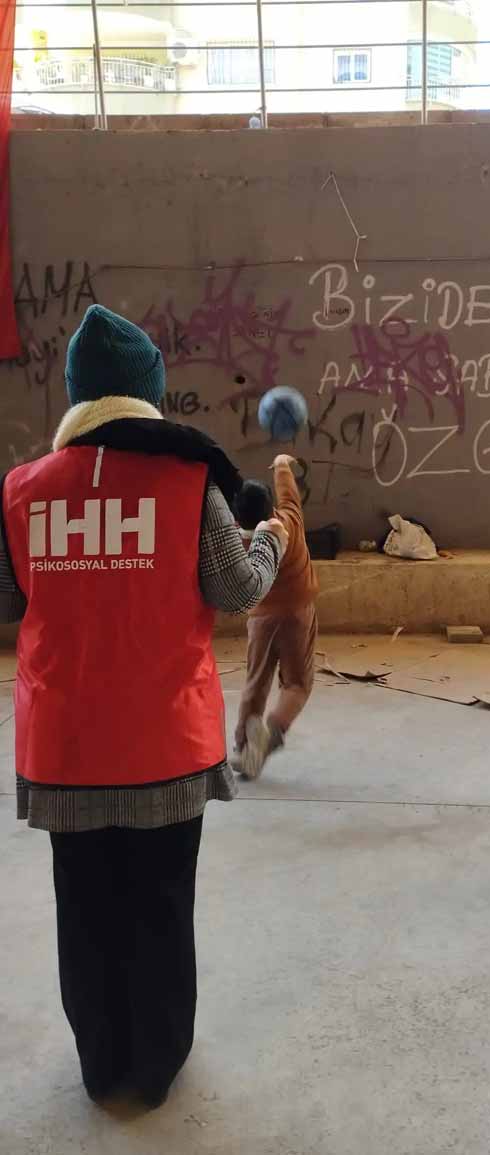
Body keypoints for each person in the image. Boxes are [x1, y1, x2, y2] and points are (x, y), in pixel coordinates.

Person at [0, 304, 288, 1107]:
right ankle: (154, 1069)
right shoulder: (187, 480)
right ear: (147, 393)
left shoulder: (21, 489)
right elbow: (237, 588)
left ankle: (101, 1066)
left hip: (64, 748)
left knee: (85, 909)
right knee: (159, 908)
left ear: (77, 393)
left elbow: (7, 598)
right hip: (164, 745)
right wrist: (271, 538)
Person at [233, 453, 318, 780]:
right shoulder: (289, 522)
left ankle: (245, 748)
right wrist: (282, 464)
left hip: (261, 616)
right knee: (296, 684)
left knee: (256, 682)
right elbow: (289, 494)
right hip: (297, 611)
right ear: (270, 508)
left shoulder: (237, 541)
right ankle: (273, 730)